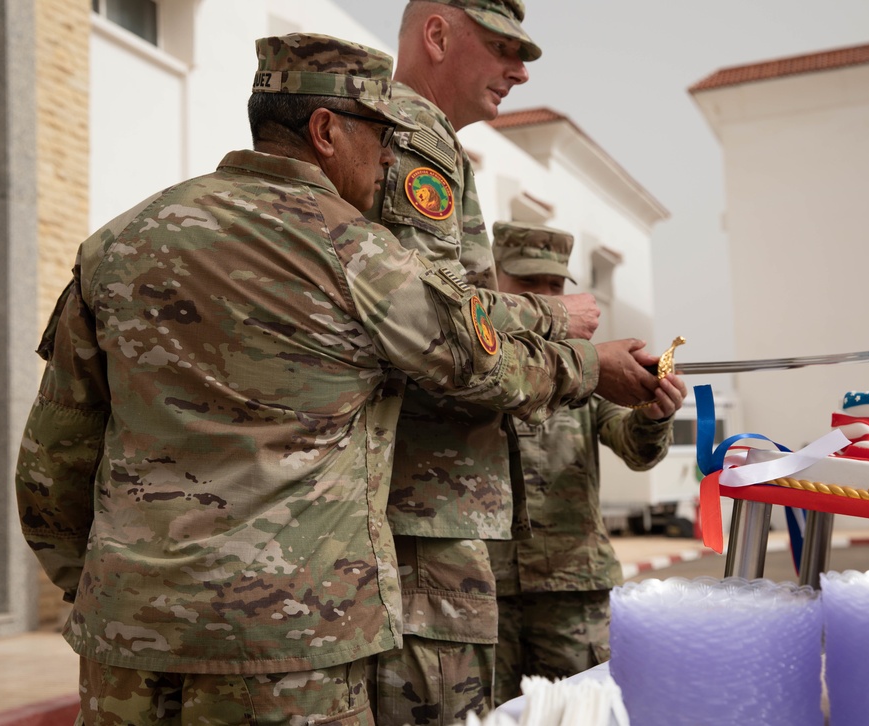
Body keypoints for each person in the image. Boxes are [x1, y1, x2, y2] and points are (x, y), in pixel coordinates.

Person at [13, 34, 658, 726]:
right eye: (381, 139)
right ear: (325, 131)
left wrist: (102, 592)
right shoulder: (357, 254)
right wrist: (592, 365)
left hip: (124, 646)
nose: (389, 161)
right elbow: (489, 366)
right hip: (289, 647)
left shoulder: (117, 243)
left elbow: (50, 468)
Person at [365, 2, 664, 724]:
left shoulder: (426, 148)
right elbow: (442, 342)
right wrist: (575, 348)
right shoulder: (408, 145)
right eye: (500, 47)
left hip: (545, 575)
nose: (520, 70)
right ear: (437, 34)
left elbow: (629, 442)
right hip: (430, 550)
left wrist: (643, 403)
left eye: (552, 289)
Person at [487, 222, 688, 705]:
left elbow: (635, 448)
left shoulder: (594, 366)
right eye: (528, 286)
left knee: (581, 716)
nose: (546, 298)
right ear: (495, 282)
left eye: (556, 287)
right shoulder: (475, 361)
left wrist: (654, 416)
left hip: (573, 586)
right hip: (486, 586)